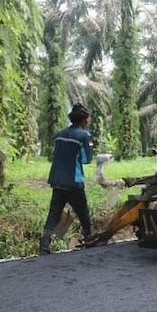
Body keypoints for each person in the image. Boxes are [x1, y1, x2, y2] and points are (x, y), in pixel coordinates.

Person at [40, 103, 93, 255]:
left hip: (57, 180)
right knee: (83, 213)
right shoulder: (84, 136)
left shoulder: (60, 135)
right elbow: (86, 159)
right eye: (88, 119)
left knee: (54, 212)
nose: (88, 121)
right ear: (84, 120)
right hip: (73, 182)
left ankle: (45, 243)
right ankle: (89, 239)